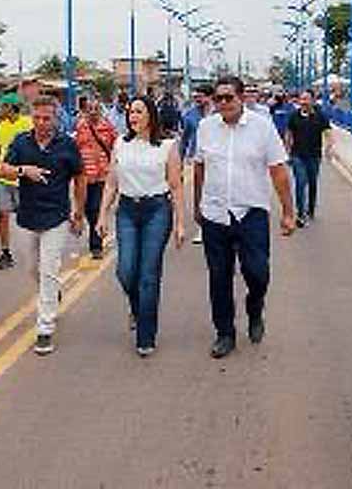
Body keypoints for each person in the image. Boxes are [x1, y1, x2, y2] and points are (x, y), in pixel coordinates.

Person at [193, 76, 296, 359]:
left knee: (257, 272)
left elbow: (278, 171)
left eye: (229, 97)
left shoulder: (262, 128)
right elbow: (199, 168)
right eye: (218, 98)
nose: (223, 103)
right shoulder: (205, 128)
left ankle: (255, 307)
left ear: (241, 98)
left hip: (251, 212)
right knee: (219, 277)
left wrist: (288, 212)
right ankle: (225, 333)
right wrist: (197, 205)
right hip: (215, 212)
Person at [96, 97, 185, 357]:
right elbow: (111, 183)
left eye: (138, 111)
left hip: (156, 211)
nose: (133, 116)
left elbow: (176, 186)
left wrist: (180, 222)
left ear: (150, 115)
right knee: (125, 271)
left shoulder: (167, 146)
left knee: (148, 275)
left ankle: (146, 336)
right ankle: (137, 308)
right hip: (127, 211)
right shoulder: (120, 144)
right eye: (130, 112)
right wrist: (102, 215)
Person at [0, 95, 86, 356]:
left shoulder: (67, 145)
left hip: (56, 217)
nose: (41, 122)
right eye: (36, 117)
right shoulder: (21, 142)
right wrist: (24, 171)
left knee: (49, 270)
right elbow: (3, 169)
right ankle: (52, 294)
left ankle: (45, 327)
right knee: (33, 269)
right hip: (28, 216)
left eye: (46, 118)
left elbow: (80, 177)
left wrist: (78, 212)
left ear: (56, 117)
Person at [0, 93, 33, 270]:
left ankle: (40, 251)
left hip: (24, 180)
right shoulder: (2, 126)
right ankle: (5, 252)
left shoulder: (28, 124)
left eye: (2, 106)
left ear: (10, 107)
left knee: (31, 218)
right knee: (2, 215)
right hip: (4, 179)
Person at [74, 94, 118, 259]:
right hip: (84, 177)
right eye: (89, 109)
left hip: (102, 176)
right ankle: (95, 232)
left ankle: (96, 245)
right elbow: (75, 149)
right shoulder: (80, 127)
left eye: (96, 109)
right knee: (86, 208)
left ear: (100, 111)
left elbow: (115, 148)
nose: (92, 112)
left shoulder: (108, 128)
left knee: (96, 209)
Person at [285, 90, 334, 228]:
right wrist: (287, 151)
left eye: (306, 99)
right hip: (297, 155)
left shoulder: (320, 116)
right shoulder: (294, 116)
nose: (303, 102)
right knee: (300, 183)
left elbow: (328, 132)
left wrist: (329, 147)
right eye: (301, 99)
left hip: (314, 156)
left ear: (313, 101)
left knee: (312, 183)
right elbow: (288, 133)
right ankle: (301, 213)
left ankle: (310, 208)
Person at [180, 85, 213, 245]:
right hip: (198, 159)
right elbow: (184, 139)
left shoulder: (219, 113)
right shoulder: (190, 116)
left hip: (217, 159)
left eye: (201, 96)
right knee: (200, 191)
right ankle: (202, 227)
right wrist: (180, 159)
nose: (198, 100)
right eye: (196, 97)